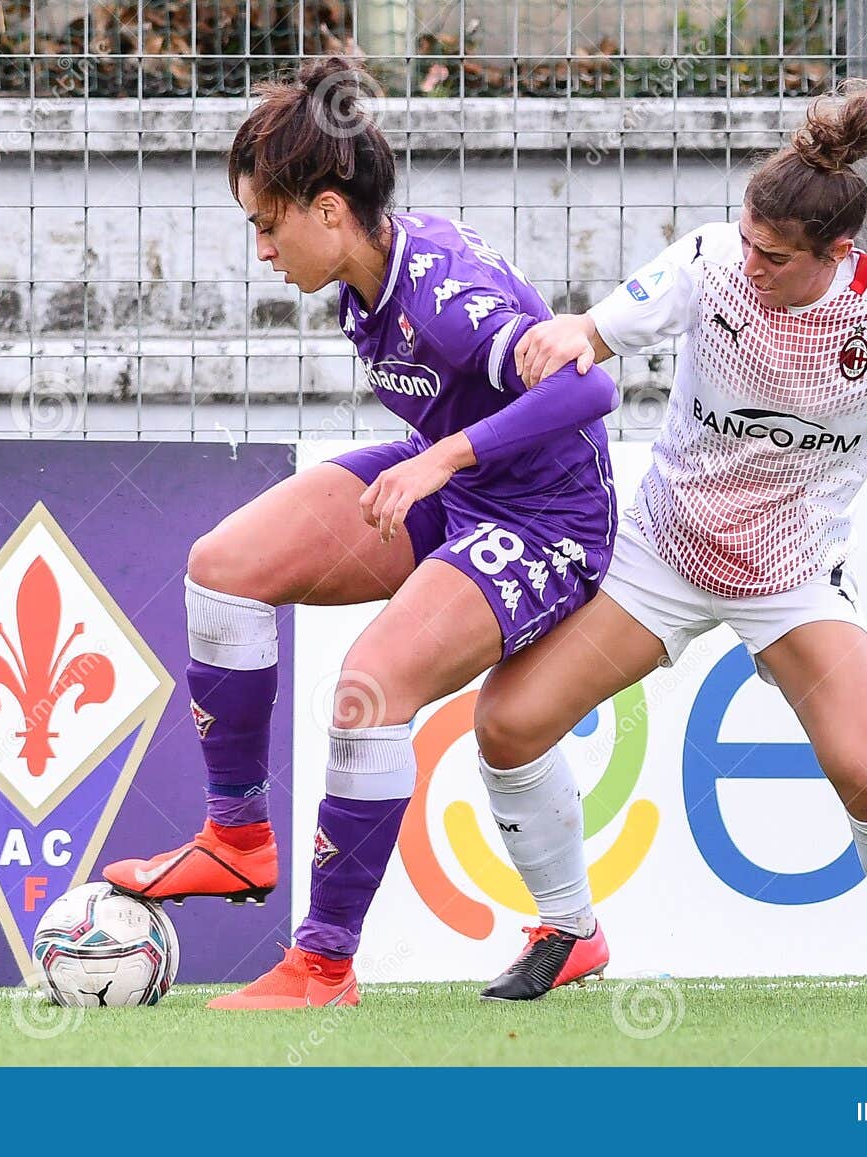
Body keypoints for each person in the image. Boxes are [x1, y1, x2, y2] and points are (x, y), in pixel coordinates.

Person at [469, 79, 867, 1001]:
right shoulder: (712, 264)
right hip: (664, 553)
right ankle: (568, 929)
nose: (750, 263)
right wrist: (566, 335)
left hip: (793, 577)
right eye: (744, 240)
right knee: (508, 721)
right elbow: (599, 330)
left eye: (772, 255)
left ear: (837, 253)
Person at [102, 57, 619, 1010]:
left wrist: (441, 458)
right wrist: (442, 462)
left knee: (368, 688)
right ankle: (236, 837)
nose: (261, 249)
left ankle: (323, 966)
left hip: (545, 522)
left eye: (267, 225)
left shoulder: (445, 300)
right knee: (223, 568)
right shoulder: (363, 274)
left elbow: (590, 386)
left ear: (329, 210)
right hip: (458, 483)